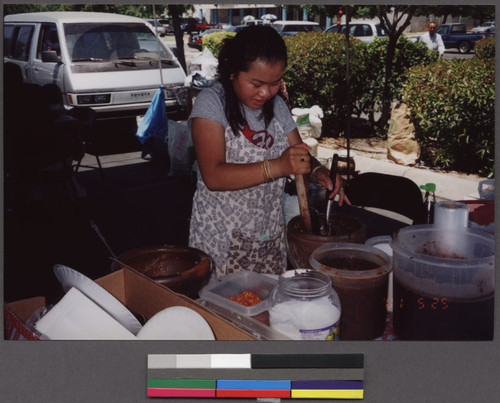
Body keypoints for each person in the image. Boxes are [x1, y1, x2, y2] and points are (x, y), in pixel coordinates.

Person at [188, 25, 350, 277]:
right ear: (232, 71)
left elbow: (298, 153)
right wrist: (278, 166)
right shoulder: (211, 103)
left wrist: (318, 171)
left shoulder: (276, 106)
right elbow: (213, 175)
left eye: (275, 83)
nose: (266, 92)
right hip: (221, 238)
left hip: (268, 236)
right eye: (257, 83)